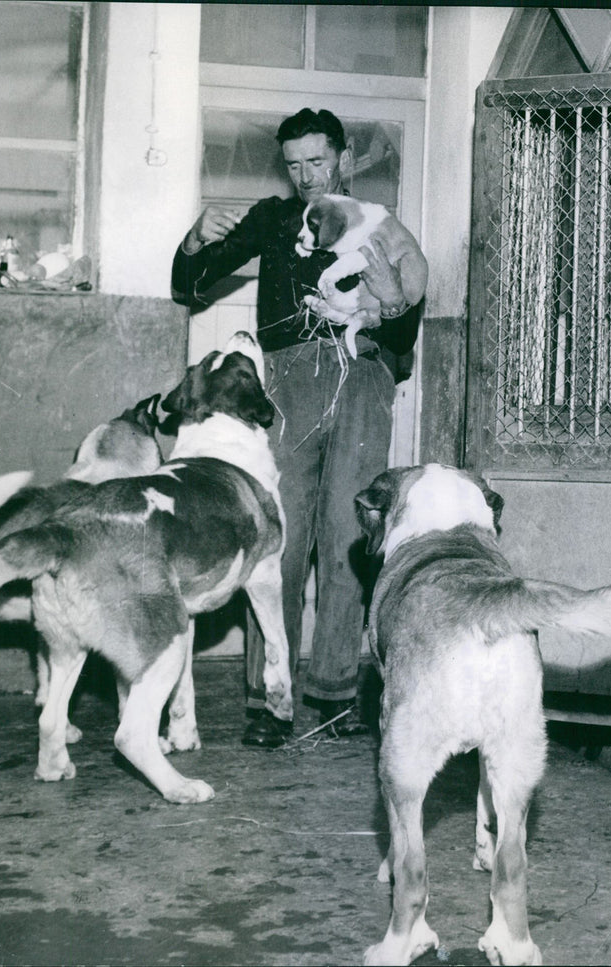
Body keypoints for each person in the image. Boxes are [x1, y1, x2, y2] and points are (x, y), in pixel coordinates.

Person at [171, 108, 428, 747]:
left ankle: (338, 693)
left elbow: (401, 331)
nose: (306, 175)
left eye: (317, 161)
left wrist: (390, 302)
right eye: (293, 164)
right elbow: (189, 287)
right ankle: (270, 698)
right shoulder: (272, 219)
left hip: (364, 377)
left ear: (342, 158)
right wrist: (197, 238)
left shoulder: (376, 224)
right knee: (277, 544)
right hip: (286, 380)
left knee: (349, 539)